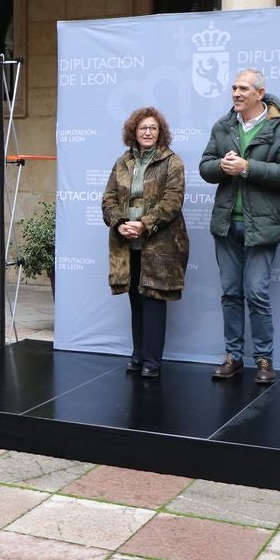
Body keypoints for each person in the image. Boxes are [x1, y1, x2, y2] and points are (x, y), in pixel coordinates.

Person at [199, 68, 280, 384]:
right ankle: (233, 356)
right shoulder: (223, 125)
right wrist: (221, 166)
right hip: (227, 223)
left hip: (263, 226)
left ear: (260, 93)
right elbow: (205, 167)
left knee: (255, 292)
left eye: (243, 88)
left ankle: (263, 359)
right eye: (233, 88)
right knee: (231, 293)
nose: (236, 93)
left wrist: (247, 168)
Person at [101, 107, 189, 378]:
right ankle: (137, 355)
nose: (148, 132)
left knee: (153, 300)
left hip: (159, 244)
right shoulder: (122, 162)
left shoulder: (172, 162)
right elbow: (108, 199)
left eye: (153, 128)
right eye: (143, 128)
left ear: (160, 132)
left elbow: (172, 201)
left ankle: (152, 361)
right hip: (127, 244)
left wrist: (144, 223)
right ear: (133, 132)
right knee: (135, 300)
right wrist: (119, 222)